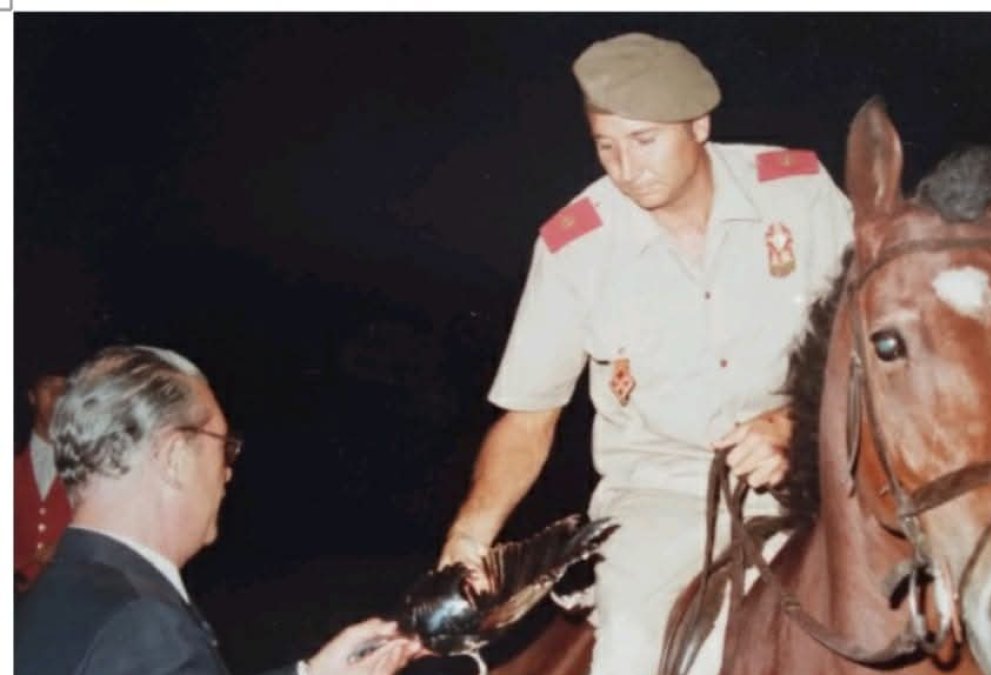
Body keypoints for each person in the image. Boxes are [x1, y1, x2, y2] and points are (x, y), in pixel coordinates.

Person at [437, 32, 853, 674]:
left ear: (699, 125)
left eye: (644, 141)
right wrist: (468, 541)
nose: (626, 169)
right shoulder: (576, 248)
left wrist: (797, 424)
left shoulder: (797, 194)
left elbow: (882, 338)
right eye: (607, 146)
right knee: (631, 646)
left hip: (830, 470)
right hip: (667, 498)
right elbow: (528, 418)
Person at [14, 345, 433, 675]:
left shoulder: (55, 592)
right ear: (176, 456)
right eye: (223, 446)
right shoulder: (141, 623)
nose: (227, 474)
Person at [14, 371, 72, 592]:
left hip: (69, 592)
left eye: (65, 388)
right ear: (31, 396)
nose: (57, 395)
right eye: (48, 386)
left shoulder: (89, 463)